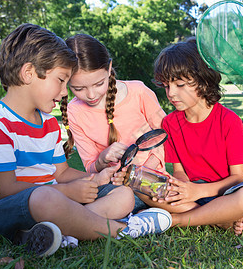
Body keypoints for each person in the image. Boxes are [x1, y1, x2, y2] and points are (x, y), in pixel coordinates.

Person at [0, 23, 172, 257]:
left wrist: (96, 178)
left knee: (123, 195)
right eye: (61, 80)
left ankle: (61, 232)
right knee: (46, 196)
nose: (65, 93)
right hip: (0, 209)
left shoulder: (48, 123)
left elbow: (62, 173)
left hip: (53, 199)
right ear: (28, 74)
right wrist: (67, 192)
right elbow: (5, 189)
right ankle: (124, 230)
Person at [148, 37, 243, 235]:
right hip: (193, 195)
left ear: (203, 82)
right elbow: (178, 171)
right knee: (143, 183)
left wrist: (197, 192)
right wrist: (182, 187)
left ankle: (177, 220)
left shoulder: (230, 122)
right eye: (166, 86)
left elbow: (238, 178)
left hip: (228, 194)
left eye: (179, 85)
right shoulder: (170, 123)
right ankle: (217, 219)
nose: (171, 93)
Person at [60, 34, 166, 212]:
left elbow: (167, 137)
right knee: (113, 200)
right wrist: (102, 159)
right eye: (78, 89)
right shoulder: (74, 112)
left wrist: (142, 172)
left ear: (109, 68)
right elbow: (90, 167)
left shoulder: (138, 92)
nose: (91, 95)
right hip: (114, 189)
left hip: (153, 180)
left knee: (149, 201)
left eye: (99, 83)